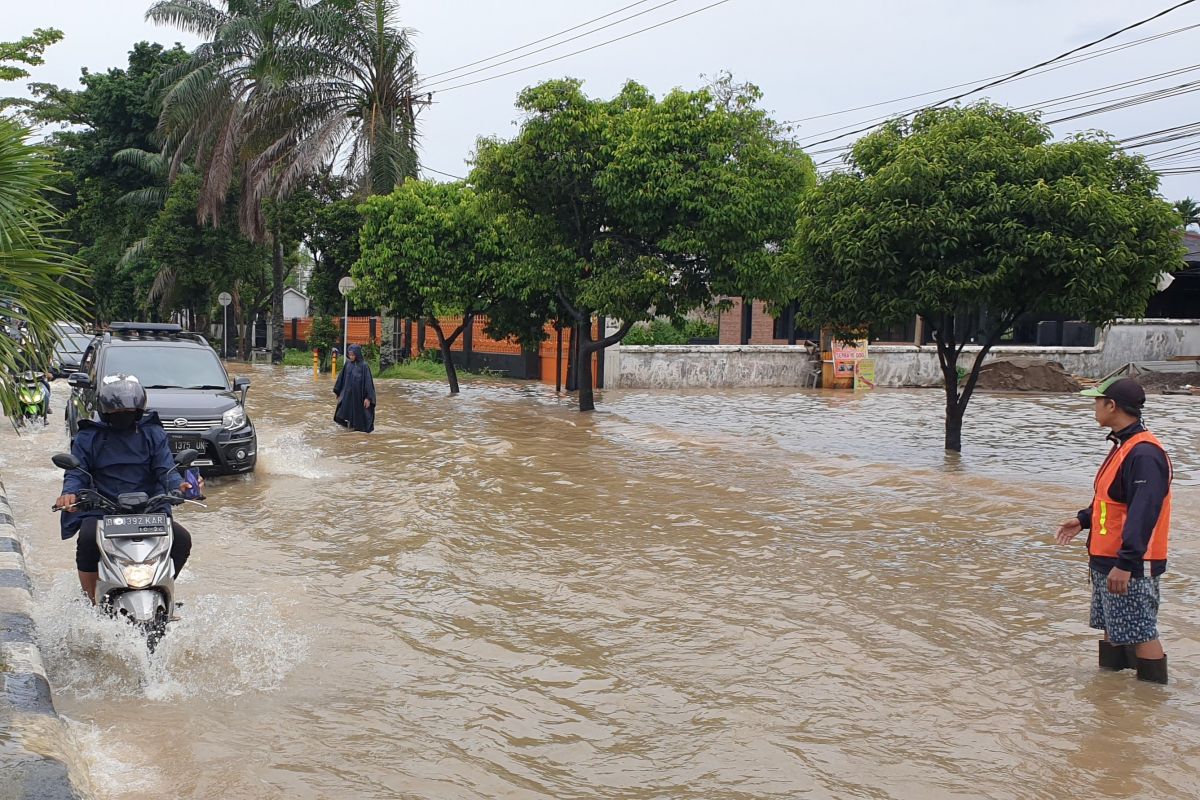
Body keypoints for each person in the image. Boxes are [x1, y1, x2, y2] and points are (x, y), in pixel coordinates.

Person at [1055, 377, 1171, 684]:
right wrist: (1084, 520)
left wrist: (1126, 563)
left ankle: (1149, 701)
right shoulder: (1123, 446)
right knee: (1114, 625)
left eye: (1097, 401)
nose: (1094, 407)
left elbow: (1143, 512)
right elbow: (1112, 500)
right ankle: (1111, 697)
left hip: (1129, 563)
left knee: (1140, 628)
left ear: (1112, 405)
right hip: (1108, 558)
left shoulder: (1144, 453)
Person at [54, 374, 196, 604]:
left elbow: (165, 469)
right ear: (104, 412)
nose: (123, 417)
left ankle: (164, 590)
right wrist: (68, 494)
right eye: (117, 413)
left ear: (138, 411)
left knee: (181, 539)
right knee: (88, 537)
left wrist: (180, 485)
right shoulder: (89, 436)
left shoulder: (152, 433)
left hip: (147, 509)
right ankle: (91, 601)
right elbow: (77, 472)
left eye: (128, 412)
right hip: (103, 509)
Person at [333, 343, 376, 433]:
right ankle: (349, 430)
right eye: (350, 355)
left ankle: (357, 431)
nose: (351, 357)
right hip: (347, 396)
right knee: (344, 413)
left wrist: (368, 398)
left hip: (359, 397)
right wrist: (338, 392)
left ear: (357, 354)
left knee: (359, 418)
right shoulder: (348, 364)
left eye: (353, 355)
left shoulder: (364, 366)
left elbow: (368, 383)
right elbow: (341, 378)